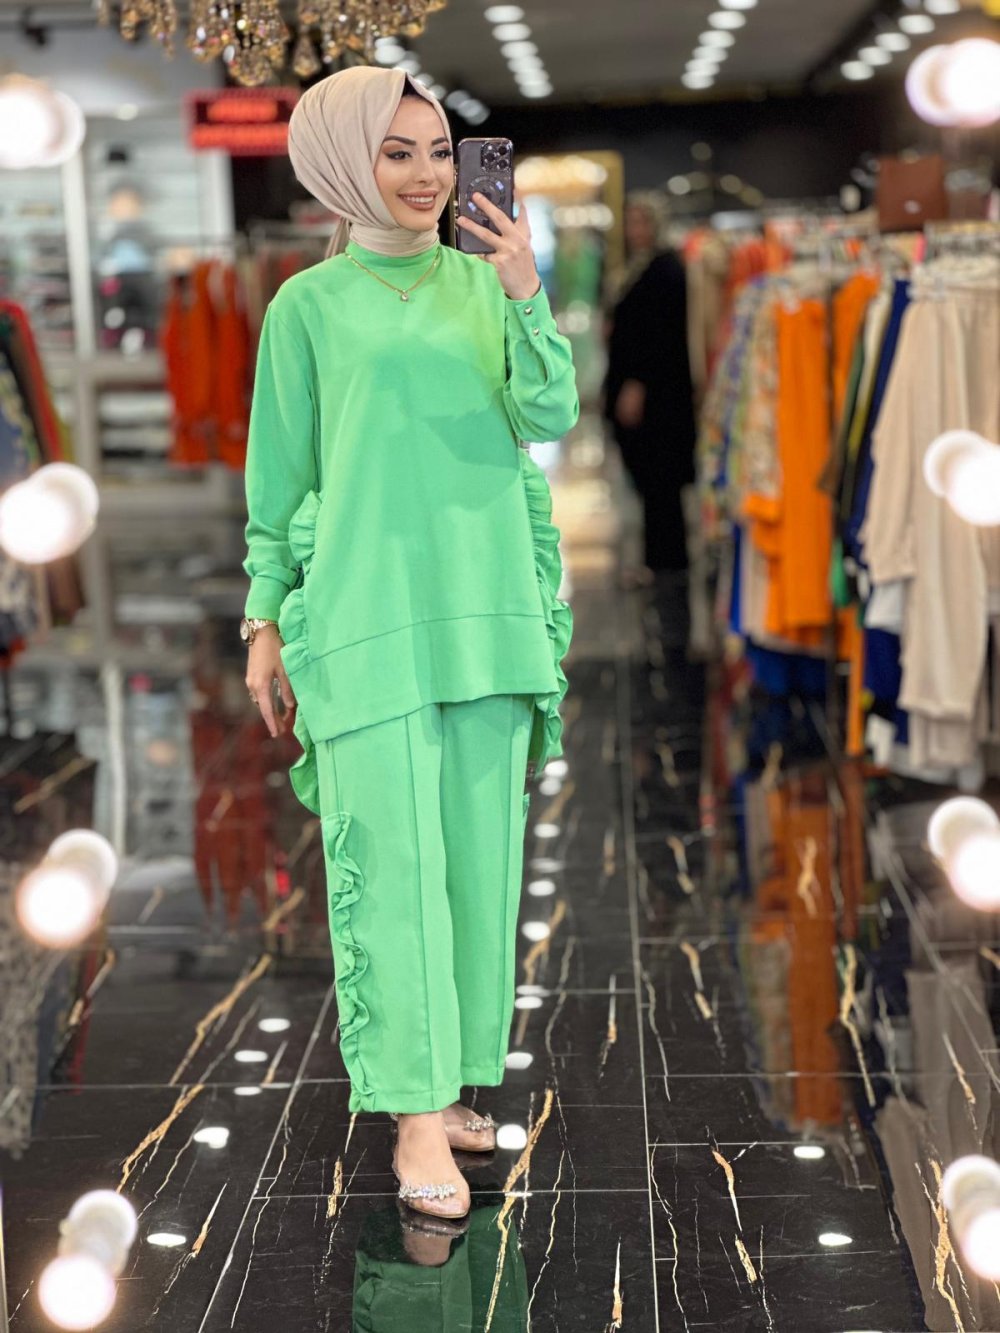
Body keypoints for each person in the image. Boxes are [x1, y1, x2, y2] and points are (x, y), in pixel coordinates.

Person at [240, 67, 578, 1221]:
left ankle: (452, 1080)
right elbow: (280, 478)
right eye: (398, 153)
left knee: (478, 870)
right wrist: (264, 618)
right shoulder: (307, 307)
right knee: (389, 871)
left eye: (440, 151)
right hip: (363, 615)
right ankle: (413, 1118)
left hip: (486, 610)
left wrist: (524, 289)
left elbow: (548, 413)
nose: (428, 174)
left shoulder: (487, 284)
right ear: (345, 162)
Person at [602, 190, 696, 583]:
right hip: (641, 389)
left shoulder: (666, 269)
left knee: (659, 480)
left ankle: (665, 563)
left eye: (643, 221)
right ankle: (658, 559)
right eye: (631, 221)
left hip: (657, 397)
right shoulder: (640, 266)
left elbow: (661, 337)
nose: (635, 229)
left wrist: (637, 385)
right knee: (649, 480)